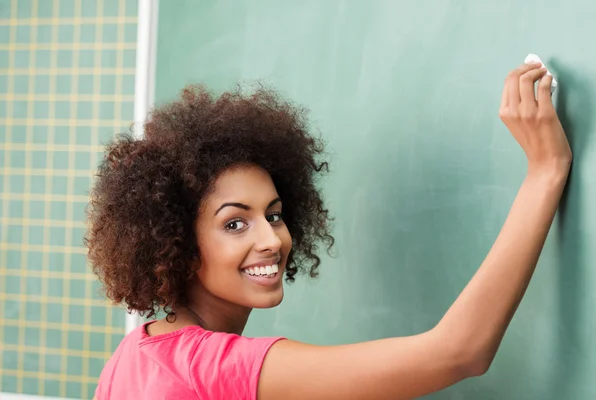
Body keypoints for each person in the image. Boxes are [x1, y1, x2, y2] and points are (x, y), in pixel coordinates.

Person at [88, 62, 571, 399]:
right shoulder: (214, 368)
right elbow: (459, 352)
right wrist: (545, 170)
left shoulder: (133, 355)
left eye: (274, 215)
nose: (271, 240)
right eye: (235, 223)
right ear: (175, 245)